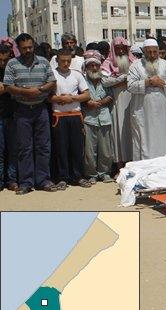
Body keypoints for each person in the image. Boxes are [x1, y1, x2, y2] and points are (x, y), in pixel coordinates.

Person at [3, 33, 57, 194]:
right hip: (22, 110)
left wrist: (39, 90)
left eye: (30, 47)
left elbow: (52, 81)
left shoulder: (43, 62)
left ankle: (43, 181)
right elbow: (8, 86)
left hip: (40, 109)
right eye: (24, 48)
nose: (28, 50)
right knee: (24, 148)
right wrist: (25, 92)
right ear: (18, 48)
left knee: (43, 147)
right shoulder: (12, 63)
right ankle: (26, 182)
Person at [127, 39, 166, 160]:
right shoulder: (136, 66)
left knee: (163, 137)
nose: (152, 55)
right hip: (143, 109)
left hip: (162, 110)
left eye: (154, 52)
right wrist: (148, 82)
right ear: (144, 52)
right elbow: (130, 86)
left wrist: (162, 83)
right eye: (149, 52)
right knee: (145, 138)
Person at [49, 48, 91, 189]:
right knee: (61, 148)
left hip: (75, 114)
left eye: (68, 61)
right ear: (57, 60)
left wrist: (71, 98)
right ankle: (63, 178)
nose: (66, 63)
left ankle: (78, 176)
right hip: (59, 116)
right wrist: (60, 99)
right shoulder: (51, 75)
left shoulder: (77, 75)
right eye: (63, 61)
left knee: (77, 148)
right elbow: (48, 96)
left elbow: (86, 95)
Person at [101, 37, 137, 168]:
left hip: (133, 100)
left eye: (123, 48)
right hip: (117, 101)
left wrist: (118, 80)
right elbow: (105, 81)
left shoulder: (135, 61)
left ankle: (133, 163)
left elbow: (139, 77)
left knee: (133, 130)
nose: (121, 51)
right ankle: (120, 165)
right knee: (118, 132)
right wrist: (123, 78)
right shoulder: (107, 63)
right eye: (118, 49)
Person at [82, 50, 114, 184]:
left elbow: (111, 95)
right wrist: (87, 102)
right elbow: (80, 96)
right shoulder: (82, 81)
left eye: (96, 65)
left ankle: (105, 172)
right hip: (89, 119)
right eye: (91, 66)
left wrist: (101, 102)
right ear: (87, 68)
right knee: (90, 150)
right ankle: (91, 174)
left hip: (104, 117)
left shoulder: (105, 80)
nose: (94, 68)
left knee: (105, 149)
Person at [0, 44, 18, 191]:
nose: (2, 64)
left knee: (13, 150)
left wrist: (7, 88)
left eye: (5, 60)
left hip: (12, 115)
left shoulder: (13, 71)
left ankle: (11, 179)